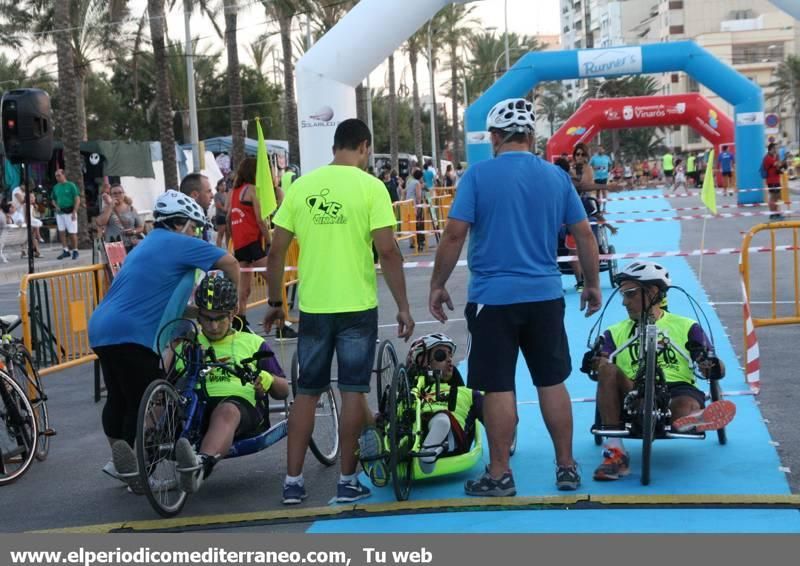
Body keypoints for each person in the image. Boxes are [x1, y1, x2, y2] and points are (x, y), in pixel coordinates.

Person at [429, 98, 602, 496]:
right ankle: (567, 466)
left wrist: (438, 284)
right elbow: (585, 234)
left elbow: (455, 234)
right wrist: (590, 283)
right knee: (551, 380)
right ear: (530, 135)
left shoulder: (478, 176)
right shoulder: (556, 177)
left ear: (494, 136)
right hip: (544, 295)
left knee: (498, 386)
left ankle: (500, 473)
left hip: (493, 299)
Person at [263, 118, 414, 505]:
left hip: (312, 308)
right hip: (356, 308)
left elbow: (276, 250)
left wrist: (277, 303)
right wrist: (403, 306)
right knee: (352, 394)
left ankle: (293, 483)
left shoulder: (301, 186)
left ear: (335, 146)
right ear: (364, 146)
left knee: (306, 396)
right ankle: (348, 481)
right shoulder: (371, 187)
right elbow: (388, 250)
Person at [89, 190, 239, 493]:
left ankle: (122, 459)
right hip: (134, 333)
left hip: (102, 328)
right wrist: (235, 308)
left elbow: (160, 301)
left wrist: (202, 313)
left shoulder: (146, 246)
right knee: (155, 399)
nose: (196, 233)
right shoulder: (179, 243)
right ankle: (142, 473)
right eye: (194, 226)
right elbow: (230, 263)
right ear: (181, 223)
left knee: (119, 398)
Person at [586, 261, 736, 480]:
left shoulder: (687, 326)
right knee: (608, 370)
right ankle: (615, 454)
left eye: (630, 294)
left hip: (678, 389)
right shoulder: (614, 332)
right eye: (623, 296)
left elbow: (715, 367)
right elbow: (598, 364)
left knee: (682, 408)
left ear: (653, 292)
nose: (624, 303)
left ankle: (694, 418)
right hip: (633, 389)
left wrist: (709, 364)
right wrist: (596, 362)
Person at [173, 274, 290, 494]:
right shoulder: (188, 345)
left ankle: (200, 467)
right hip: (194, 406)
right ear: (198, 316)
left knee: (226, 411)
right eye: (207, 319)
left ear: (232, 313)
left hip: (240, 408)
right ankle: (141, 457)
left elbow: (283, 391)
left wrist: (267, 379)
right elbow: (165, 384)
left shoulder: (252, 343)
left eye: (220, 318)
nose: (214, 326)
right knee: (161, 403)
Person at [227, 158, 296, 339]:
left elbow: (228, 218)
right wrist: (270, 241)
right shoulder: (252, 190)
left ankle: (240, 322)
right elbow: (259, 220)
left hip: (240, 243)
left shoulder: (234, 192)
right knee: (276, 279)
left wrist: (230, 239)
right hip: (251, 242)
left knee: (244, 289)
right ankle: (281, 325)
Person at [405, 334, 483, 474]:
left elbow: (496, 421)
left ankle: (428, 453)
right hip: (411, 432)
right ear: (422, 361)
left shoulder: (467, 392)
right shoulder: (408, 392)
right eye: (441, 355)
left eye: (450, 356)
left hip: (451, 439)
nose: (449, 360)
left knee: (441, 419)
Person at [95, 183, 144, 252]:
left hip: (131, 245)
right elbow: (101, 222)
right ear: (111, 195)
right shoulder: (107, 208)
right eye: (114, 193)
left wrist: (133, 231)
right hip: (114, 246)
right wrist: (111, 206)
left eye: (120, 193)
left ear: (124, 194)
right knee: (118, 263)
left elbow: (140, 227)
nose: (117, 195)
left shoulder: (131, 209)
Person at [51, 169, 80, 260]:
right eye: (56, 176)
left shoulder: (71, 185)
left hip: (70, 212)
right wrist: (56, 206)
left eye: (59, 175)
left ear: (64, 175)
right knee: (61, 232)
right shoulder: (55, 187)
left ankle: (75, 250)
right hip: (60, 213)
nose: (57, 177)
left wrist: (74, 212)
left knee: (72, 233)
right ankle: (65, 250)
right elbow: (53, 199)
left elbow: (77, 199)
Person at [762, 143, 786, 221]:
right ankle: (773, 214)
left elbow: (779, 167)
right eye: (775, 148)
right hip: (771, 180)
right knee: (773, 197)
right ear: (771, 149)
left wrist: (780, 160)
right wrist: (782, 160)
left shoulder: (773, 157)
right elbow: (778, 164)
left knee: (777, 196)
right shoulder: (768, 158)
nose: (776, 150)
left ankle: (776, 212)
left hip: (776, 179)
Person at [589, 145, 611, 210]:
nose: (600, 150)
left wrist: (609, 170)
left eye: (601, 149)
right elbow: (589, 165)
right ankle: (598, 208)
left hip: (604, 177)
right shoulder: (594, 158)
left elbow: (610, 164)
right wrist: (593, 168)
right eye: (598, 149)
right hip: (597, 177)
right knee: (597, 193)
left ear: (603, 150)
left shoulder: (607, 157)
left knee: (604, 192)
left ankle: (604, 208)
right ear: (597, 150)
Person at [212, 178, 229, 248]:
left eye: (225, 185)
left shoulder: (227, 194)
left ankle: (228, 251)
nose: (224, 187)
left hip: (227, 216)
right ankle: (218, 249)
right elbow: (218, 205)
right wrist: (226, 209)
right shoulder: (217, 195)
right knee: (221, 234)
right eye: (222, 185)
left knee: (228, 235)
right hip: (221, 216)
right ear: (218, 186)